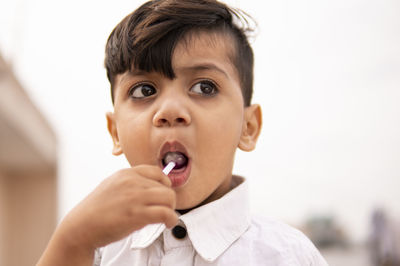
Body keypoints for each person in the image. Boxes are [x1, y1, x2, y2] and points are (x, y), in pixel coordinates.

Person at [37, 0, 328, 265]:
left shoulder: (289, 256)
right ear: (115, 133)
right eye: (144, 90)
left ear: (248, 127)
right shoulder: (96, 249)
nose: (170, 111)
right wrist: (72, 239)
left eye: (205, 87)